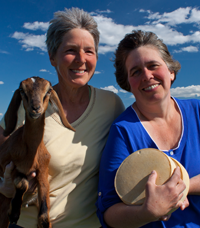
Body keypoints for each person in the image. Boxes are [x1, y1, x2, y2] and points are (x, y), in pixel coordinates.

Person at [0, 7, 125, 228]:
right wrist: (8, 181)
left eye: (89, 51)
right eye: (71, 50)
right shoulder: (28, 106)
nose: (81, 59)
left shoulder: (111, 104)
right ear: (52, 57)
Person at [96, 30, 200, 228]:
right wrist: (147, 213)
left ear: (171, 71)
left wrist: (183, 188)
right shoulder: (123, 131)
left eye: (153, 65)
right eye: (135, 72)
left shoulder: (197, 111)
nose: (146, 75)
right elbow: (108, 212)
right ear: (128, 83)